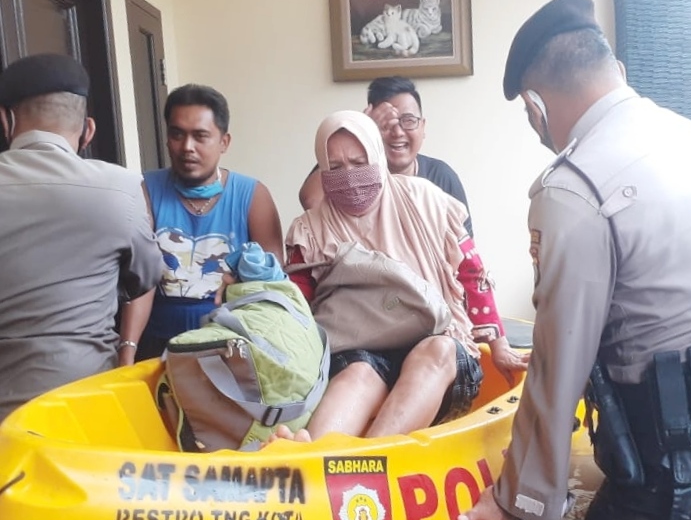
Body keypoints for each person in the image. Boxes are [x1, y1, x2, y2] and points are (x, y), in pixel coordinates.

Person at [459, 0, 691, 520]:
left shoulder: (573, 186)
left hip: (680, 477)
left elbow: (557, 363)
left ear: (535, 105)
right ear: (618, 72)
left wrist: (512, 500)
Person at [278, 110, 526, 441]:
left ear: (378, 156)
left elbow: (471, 272)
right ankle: (312, 456)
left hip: (440, 353)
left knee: (435, 351)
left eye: (358, 162)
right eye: (335, 168)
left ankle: (370, 459)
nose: (350, 177)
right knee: (358, 374)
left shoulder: (426, 200)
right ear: (320, 170)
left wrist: (499, 345)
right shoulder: (310, 231)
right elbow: (299, 311)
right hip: (357, 354)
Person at [0, 54, 162, 420]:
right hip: (84, 410)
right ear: (88, 130)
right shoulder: (121, 190)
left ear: (6, 119)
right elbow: (146, 278)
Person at [128, 84, 285, 361]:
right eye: (177, 135)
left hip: (230, 345)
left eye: (200, 136)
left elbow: (272, 283)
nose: (187, 147)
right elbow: (141, 281)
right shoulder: (145, 190)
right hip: (157, 342)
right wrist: (127, 352)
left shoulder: (252, 196)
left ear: (224, 142)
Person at [298, 76, 475, 237]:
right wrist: (361, 132)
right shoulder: (348, 172)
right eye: (386, 124)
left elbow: (464, 246)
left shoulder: (441, 177)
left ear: (423, 127)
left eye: (408, 120)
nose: (397, 132)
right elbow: (312, 201)